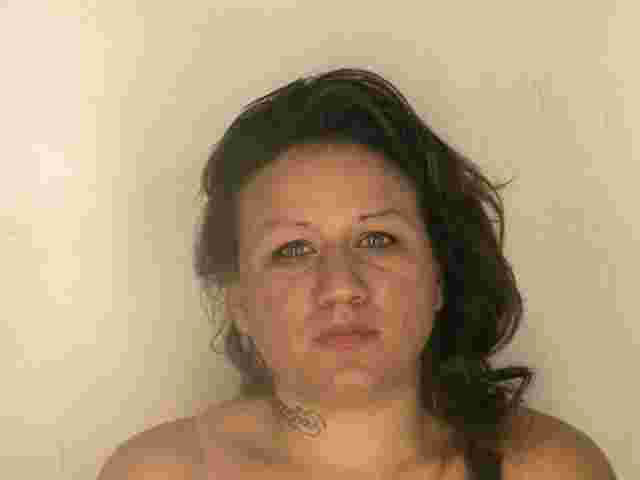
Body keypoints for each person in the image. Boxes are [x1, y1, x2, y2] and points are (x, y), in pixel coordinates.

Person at [98, 68, 616, 479]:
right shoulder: (158, 473)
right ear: (238, 303)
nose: (342, 287)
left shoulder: (552, 469)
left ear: (439, 275)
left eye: (377, 239)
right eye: (293, 249)